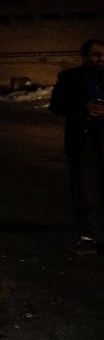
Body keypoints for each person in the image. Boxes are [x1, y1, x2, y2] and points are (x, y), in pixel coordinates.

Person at [49, 38, 104, 256]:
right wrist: (83, 107)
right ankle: (87, 237)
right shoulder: (69, 78)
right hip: (83, 140)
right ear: (84, 56)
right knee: (84, 188)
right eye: (96, 55)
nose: (101, 59)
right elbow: (56, 106)